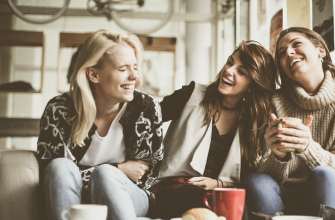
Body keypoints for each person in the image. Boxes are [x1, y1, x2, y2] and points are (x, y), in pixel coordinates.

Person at [36, 30, 163, 220]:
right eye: (123, 69)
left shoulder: (145, 107)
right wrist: (118, 168)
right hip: (73, 198)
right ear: (94, 75)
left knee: (106, 175)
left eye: (135, 67)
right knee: (61, 167)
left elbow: (145, 175)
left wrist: (104, 173)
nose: (134, 77)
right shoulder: (59, 109)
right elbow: (52, 173)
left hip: (130, 196)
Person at [246, 27, 335, 219]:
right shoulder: (273, 101)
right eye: (282, 53)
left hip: (329, 194)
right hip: (281, 196)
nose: (289, 52)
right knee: (257, 181)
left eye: (296, 44)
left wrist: (307, 147)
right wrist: (278, 155)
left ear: (320, 50)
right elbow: (261, 168)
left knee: (324, 175)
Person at [150, 40, 278, 218]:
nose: (228, 70)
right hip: (176, 189)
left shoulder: (254, 120)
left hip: (223, 194)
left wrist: (218, 184)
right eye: (230, 62)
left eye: (241, 72)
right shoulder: (191, 94)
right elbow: (146, 119)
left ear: (253, 85)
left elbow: (252, 173)